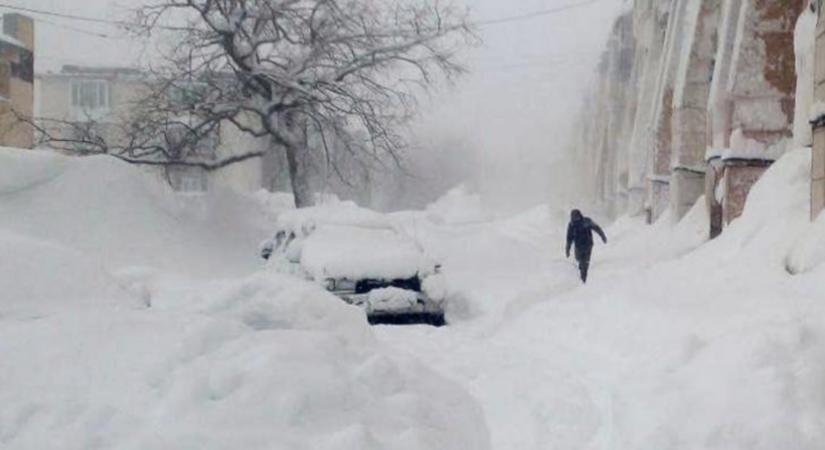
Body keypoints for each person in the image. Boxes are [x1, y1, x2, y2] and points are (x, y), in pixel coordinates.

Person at [566, 209, 607, 283]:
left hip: (588, 245)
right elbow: (569, 238)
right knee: (579, 260)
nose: (576, 218)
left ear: (580, 215)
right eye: (574, 217)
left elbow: (596, 228)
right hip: (578, 246)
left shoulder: (586, 221)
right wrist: (567, 249)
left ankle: (583, 279)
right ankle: (582, 273)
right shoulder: (571, 225)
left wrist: (603, 236)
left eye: (577, 217)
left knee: (585, 262)